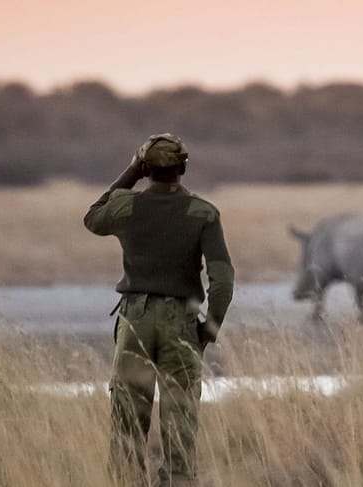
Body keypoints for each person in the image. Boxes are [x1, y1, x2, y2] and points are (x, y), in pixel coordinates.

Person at [84, 133, 235, 486]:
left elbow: (93, 218)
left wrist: (130, 172)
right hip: (180, 321)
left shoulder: (126, 206)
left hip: (134, 320)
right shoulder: (203, 212)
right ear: (183, 168)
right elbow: (223, 282)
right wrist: (208, 330)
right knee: (180, 419)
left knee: (127, 420)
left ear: (146, 168)